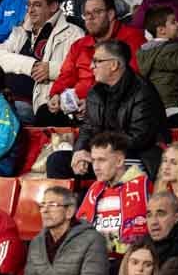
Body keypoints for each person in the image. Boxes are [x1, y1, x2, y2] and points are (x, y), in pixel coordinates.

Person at [47, 40, 165, 179]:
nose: (91, 66)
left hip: (135, 156)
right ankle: (74, 194)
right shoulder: (95, 91)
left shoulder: (143, 91)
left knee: (108, 163)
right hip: (101, 155)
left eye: (97, 61)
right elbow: (87, 129)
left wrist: (99, 152)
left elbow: (138, 139)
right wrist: (80, 151)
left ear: (114, 65)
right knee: (57, 161)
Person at [0, 0, 84, 124]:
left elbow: (82, 71)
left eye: (37, 5)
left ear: (53, 6)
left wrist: (51, 70)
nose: (30, 10)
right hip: (5, 98)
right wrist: (31, 66)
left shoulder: (73, 33)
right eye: (28, 5)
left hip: (36, 106)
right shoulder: (21, 31)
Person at [74, 132, 154, 260]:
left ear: (119, 161)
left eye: (102, 160)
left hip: (126, 261)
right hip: (93, 260)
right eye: (93, 160)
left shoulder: (142, 187)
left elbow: (140, 240)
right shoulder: (95, 189)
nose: (95, 167)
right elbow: (78, 231)